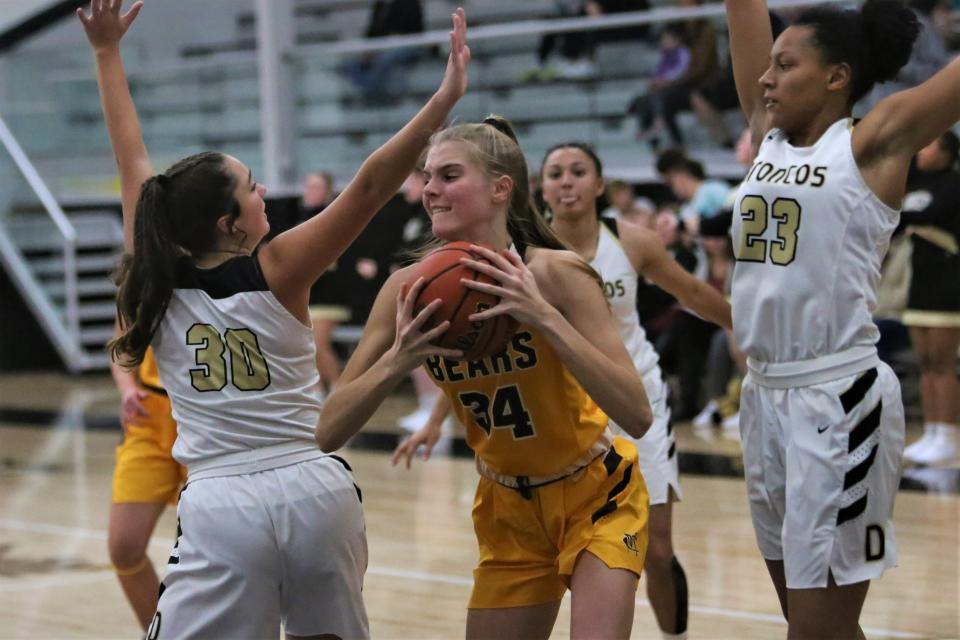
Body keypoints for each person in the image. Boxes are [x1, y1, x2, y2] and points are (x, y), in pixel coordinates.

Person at [80, 1, 471, 636]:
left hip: (223, 503)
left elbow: (132, 162)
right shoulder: (282, 266)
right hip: (314, 489)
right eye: (251, 186)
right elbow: (371, 187)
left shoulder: (158, 277)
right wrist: (443, 102)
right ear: (229, 223)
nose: (264, 193)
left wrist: (105, 54)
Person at [320, 116, 654, 639]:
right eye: (427, 177)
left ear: (501, 189)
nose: (431, 190)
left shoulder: (555, 275)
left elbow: (636, 412)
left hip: (595, 494)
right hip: (506, 508)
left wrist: (542, 316)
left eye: (449, 175)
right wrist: (398, 362)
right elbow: (327, 432)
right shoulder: (405, 289)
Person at [724, 0, 960, 635]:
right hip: (763, 397)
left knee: (815, 627)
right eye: (767, 65)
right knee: (816, 624)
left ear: (836, 77)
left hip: (839, 399)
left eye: (785, 64)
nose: (765, 77)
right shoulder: (763, 134)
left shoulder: (873, 141)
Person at [539, 141, 732, 640]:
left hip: (636, 399)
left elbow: (690, 293)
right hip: (566, 411)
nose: (566, 181)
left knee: (658, 552)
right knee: (572, 552)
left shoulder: (632, 241)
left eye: (578, 171)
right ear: (541, 188)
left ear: (600, 185)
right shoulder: (527, 251)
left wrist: (742, 328)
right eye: (555, 172)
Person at [108, 341, 185, 631]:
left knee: (218, 553)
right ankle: (163, 634)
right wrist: (128, 388)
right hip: (148, 414)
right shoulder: (133, 292)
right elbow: (122, 345)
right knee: (124, 548)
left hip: (206, 412)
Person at [900, 131, 960, 465]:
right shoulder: (914, 184)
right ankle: (932, 430)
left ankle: (949, 434)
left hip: (948, 284)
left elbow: (931, 215)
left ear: (948, 152)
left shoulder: (954, 185)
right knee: (923, 362)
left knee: (942, 363)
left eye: (930, 144)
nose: (921, 151)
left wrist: (906, 217)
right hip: (919, 282)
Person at [299, 170, 349, 390]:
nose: (310, 192)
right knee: (305, 348)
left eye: (317, 187)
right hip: (310, 298)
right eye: (308, 187)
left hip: (330, 297)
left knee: (317, 344)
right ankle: (317, 393)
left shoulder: (334, 220)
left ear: (328, 193)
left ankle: (339, 391)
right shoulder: (302, 219)